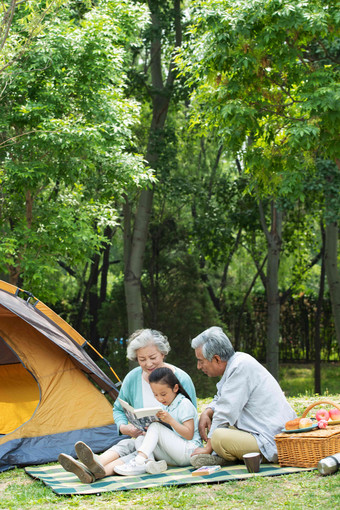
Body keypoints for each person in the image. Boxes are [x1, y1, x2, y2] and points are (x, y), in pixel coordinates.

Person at [58, 329, 197, 482]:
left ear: (163, 354)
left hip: (175, 445)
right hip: (148, 442)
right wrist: (124, 427)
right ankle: (92, 471)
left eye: (153, 357)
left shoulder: (181, 378)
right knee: (131, 444)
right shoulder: (133, 378)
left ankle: (95, 466)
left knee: (137, 449)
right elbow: (118, 408)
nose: (148, 364)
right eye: (142, 359)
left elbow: (190, 421)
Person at [189, 326, 297, 468]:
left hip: (271, 440)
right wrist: (208, 411)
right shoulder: (236, 363)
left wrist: (207, 448)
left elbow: (225, 412)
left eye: (201, 361)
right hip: (257, 433)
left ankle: (228, 456)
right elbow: (221, 398)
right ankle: (230, 455)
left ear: (216, 359)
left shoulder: (240, 366)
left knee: (218, 437)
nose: (198, 366)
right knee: (220, 430)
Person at [113, 366, 202, 475]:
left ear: (175, 388)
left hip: (189, 452)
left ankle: (139, 461)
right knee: (141, 438)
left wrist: (170, 421)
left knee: (155, 426)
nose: (160, 398)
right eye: (155, 395)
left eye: (163, 394)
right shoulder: (166, 405)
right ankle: (150, 463)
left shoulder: (184, 404)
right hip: (174, 455)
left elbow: (189, 434)